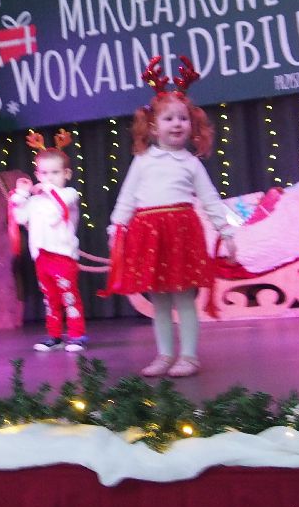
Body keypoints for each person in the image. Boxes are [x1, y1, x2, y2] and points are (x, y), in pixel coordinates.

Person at [106, 56, 235, 378]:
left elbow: (210, 199)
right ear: (153, 127)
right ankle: (164, 355)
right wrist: (116, 227)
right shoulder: (142, 160)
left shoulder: (191, 163)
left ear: (192, 125)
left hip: (181, 232)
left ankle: (188, 356)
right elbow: (127, 196)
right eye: (169, 119)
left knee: (184, 297)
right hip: (149, 233)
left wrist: (226, 231)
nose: (177, 124)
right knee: (159, 300)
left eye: (183, 118)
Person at [12, 130, 87, 352]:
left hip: (63, 256)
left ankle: (77, 335)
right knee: (50, 299)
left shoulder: (69, 194)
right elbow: (20, 217)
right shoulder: (35, 201)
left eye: (55, 172)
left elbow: (61, 203)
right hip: (42, 256)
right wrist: (21, 195)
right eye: (44, 173)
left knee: (69, 296)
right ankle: (54, 336)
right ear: (37, 174)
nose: (49, 178)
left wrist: (47, 189)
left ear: (67, 174)